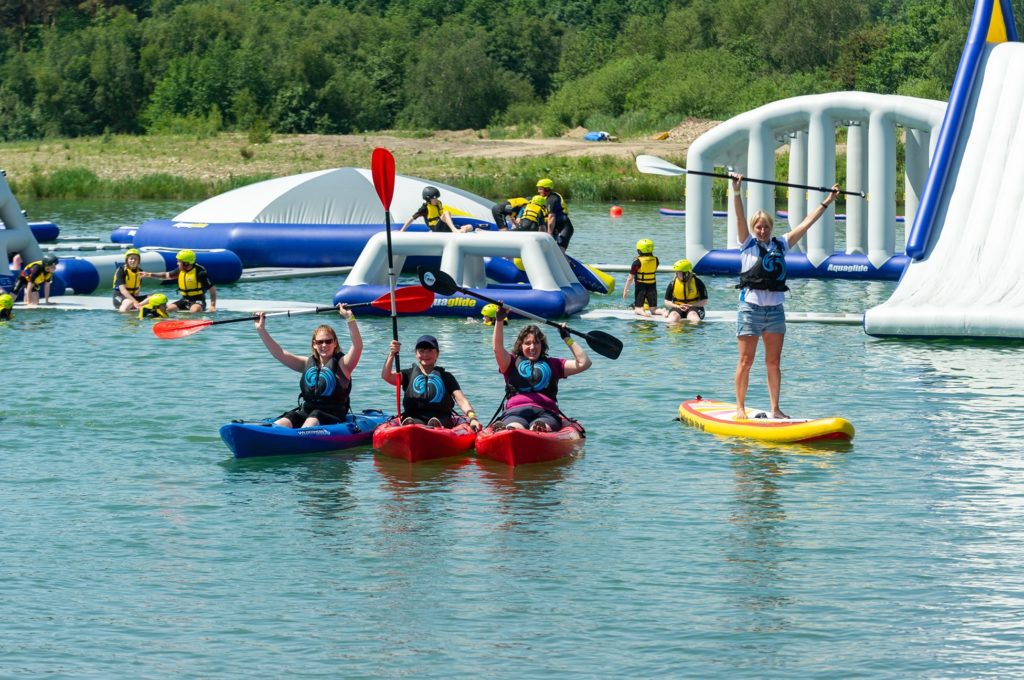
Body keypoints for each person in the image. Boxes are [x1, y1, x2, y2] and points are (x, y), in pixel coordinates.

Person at [731, 173, 839, 419]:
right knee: (746, 361)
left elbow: (807, 223)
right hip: (751, 309)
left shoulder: (782, 243)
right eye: (758, 226)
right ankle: (740, 407)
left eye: (766, 226)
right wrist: (736, 190)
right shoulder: (746, 243)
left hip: (775, 312)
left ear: (771, 227)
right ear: (752, 228)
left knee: (774, 363)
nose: (762, 230)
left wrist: (828, 201)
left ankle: (775, 409)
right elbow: (738, 216)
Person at [254, 305, 361, 428]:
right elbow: (280, 354)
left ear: (335, 343)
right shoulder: (306, 363)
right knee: (289, 418)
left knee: (315, 417)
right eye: (320, 342)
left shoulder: (344, 365)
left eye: (328, 341)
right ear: (314, 344)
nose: (324, 345)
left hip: (333, 416)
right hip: (307, 412)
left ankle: (298, 440)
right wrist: (261, 329)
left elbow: (357, 346)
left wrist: (350, 318)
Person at [491, 306, 592, 431]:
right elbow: (497, 349)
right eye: (527, 343)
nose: (532, 347)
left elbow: (584, 363)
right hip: (515, 412)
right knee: (514, 426)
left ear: (542, 345)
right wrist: (499, 321)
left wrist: (567, 339)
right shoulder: (510, 362)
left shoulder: (555, 364)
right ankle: (510, 430)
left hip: (546, 412)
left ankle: (539, 430)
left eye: (536, 342)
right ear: (520, 346)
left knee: (539, 426)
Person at [381, 335, 481, 430]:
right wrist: (392, 354)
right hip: (414, 417)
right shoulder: (408, 374)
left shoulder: (446, 377)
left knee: (437, 421)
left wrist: (473, 418)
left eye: (430, 351)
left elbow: (462, 400)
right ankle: (411, 426)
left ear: (437, 353)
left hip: (442, 419)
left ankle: (434, 426)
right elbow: (386, 376)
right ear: (416, 353)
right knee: (413, 421)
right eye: (421, 351)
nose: (425, 355)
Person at [401, 186, 474, 233]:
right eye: (434, 199)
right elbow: (412, 218)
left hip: (443, 227)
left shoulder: (439, 203)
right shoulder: (424, 208)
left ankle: (458, 230)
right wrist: (402, 230)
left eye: (436, 198)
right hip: (436, 228)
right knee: (446, 212)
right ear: (428, 199)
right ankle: (455, 230)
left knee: (470, 226)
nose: (436, 200)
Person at [622, 238, 660, 315]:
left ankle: (642, 312)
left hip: (640, 286)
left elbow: (630, 278)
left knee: (638, 308)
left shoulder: (637, 262)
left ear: (639, 250)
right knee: (654, 309)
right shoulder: (656, 260)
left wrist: (625, 290)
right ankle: (663, 312)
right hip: (652, 285)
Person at [663, 259, 709, 323]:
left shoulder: (698, 282)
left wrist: (692, 305)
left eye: (678, 272)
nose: (676, 274)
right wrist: (678, 306)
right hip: (678, 307)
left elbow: (705, 301)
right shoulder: (672, 284)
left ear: (686, 273)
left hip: (695, 308)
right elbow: (667, 301)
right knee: (673, 318)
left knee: (693, 317)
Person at [536, 178, 574, 251]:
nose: (538, 191)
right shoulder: (549, 198)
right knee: (550, 250)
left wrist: (549, 235)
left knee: (560, 252)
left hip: (565, 228)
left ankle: (564, 261)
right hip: (556, 228)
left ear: (547, 189)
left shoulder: (551, 199)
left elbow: (551, 219)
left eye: (540, 189)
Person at [112, 248, 151, 312]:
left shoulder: (140, 272)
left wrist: (137, 303)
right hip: (119, 297)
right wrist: (135, 302)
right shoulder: (122, 271)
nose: (133, 260)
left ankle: (138, 307)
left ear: (138, 261)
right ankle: (120, 318)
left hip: (132, 298)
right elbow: (123, 290)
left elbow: (137, 290)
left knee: (154, 297)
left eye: (135, 259)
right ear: (127, 260)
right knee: (129, 302)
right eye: (131, 259)